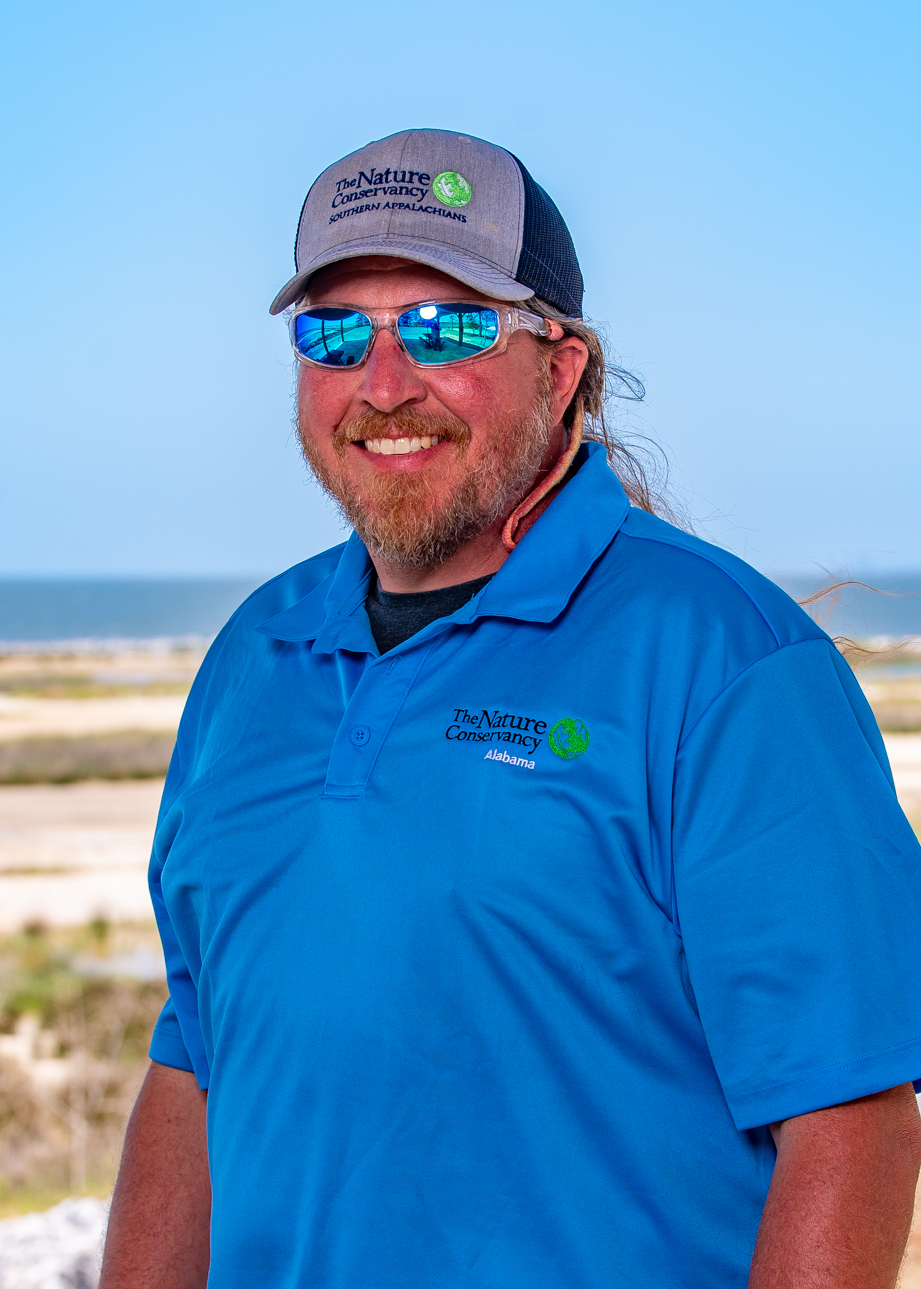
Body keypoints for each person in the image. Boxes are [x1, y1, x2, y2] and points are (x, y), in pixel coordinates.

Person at [101, 129, 921, 1289]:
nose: (385, 386)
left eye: (447, 326)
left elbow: (850, 1115)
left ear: (563, 363)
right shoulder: (252, 660)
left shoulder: (725, 661)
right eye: (337, 333)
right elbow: (196, 1058)